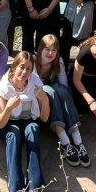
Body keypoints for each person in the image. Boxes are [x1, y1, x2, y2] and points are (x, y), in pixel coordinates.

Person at [0, 51, 50, 192]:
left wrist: (45, 100)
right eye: (21, 67)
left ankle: (34, 188)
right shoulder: (5, 85)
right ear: (14, 67)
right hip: (8, 123)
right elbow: (0, 123)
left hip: (28, 120)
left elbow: (45, 118)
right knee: (14, 135)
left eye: (29, 69)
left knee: (33, 129)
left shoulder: (34, 83)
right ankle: (17, 191)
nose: (24, 72)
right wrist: (9, 107)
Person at [35, 35, 88, 167]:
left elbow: (64, 85)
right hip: (38, 97)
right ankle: (65, 142)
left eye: (54, 50)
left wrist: (65, 100)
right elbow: (34, 89)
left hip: (55, 94)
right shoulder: (33, 62)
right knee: (51, 91)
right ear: (40, 49)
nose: (50, 53)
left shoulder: (58, 62)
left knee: (62, 90)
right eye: (47, 49)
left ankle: (78, 142)